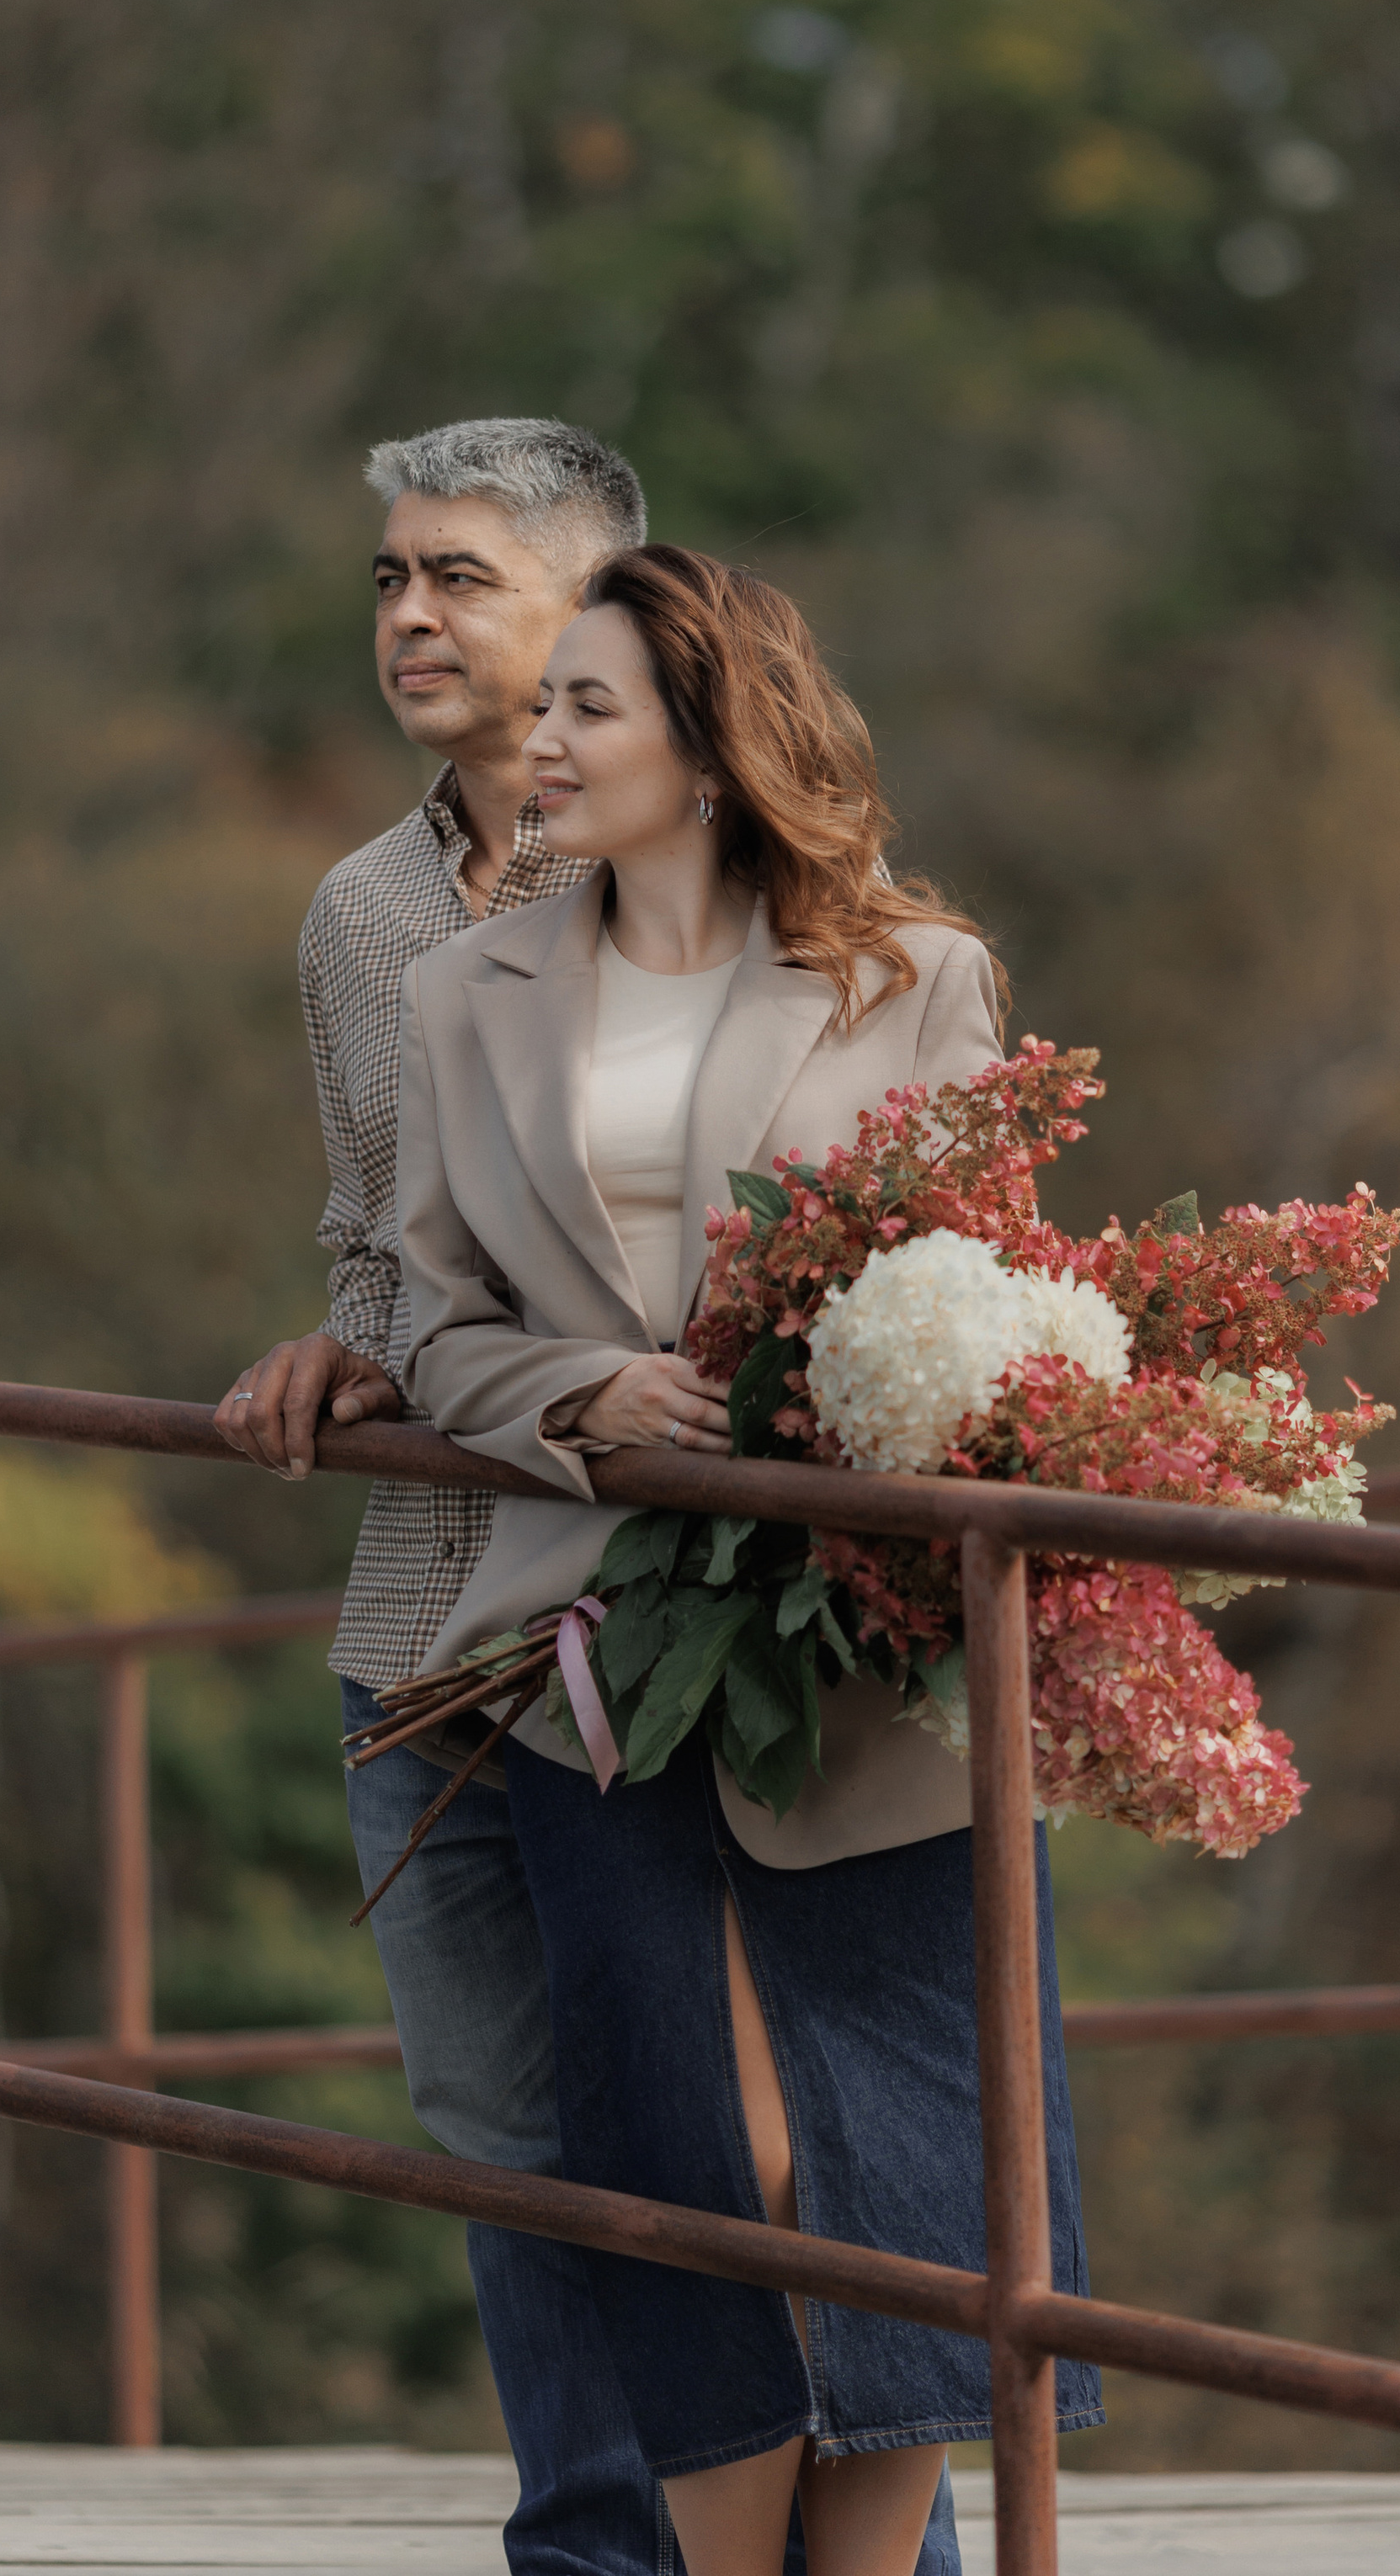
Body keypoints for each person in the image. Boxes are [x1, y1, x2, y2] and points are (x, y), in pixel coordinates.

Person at [216, 424, 964, 2576]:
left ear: (607, 609)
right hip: (437, 1619)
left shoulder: (732, 890)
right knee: (520, 2159)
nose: (411, 621)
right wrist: (334, 1346)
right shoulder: (363, 922)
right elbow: (388, 1252)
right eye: (385, 582)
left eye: (458, 578)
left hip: (712, 1634)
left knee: (794, 2149)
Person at [395, 547, 1102, 2576]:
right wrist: (575, 1401)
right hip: (587, 1650)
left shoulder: (913, 975)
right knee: (702, 2153)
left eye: (585, 709)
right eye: (542, 712)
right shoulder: (467, 992)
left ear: (707, 747)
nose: (538, 742)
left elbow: (990, 1282)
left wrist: (871, 1418)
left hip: (868, 1659)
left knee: (890, 2168)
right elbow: (433, 1323)